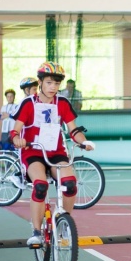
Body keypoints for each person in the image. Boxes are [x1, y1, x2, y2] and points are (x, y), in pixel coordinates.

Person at [11, 62, 94, 247]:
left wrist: (83, 142)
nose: (53, 87)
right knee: (40, 186)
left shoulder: (62, 103)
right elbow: (15, 130)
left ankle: (63, 223)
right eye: (49, 83)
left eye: (57, 84)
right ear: (40, 82)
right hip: (32, 152)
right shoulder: (28, 103)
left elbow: (73, 130)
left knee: (70, 184)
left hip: (56, 152)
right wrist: (17, 139)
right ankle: (36, 231)